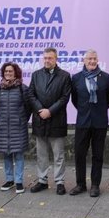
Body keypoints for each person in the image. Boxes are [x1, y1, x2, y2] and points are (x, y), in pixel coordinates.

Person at [28, 47, 72, 195]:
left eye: (50, 58)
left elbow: (64, 98)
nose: (47, 60)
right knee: (41, 154)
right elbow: (31, 95)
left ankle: (59, 182)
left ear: (56, 59)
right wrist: (41, 110)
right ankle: (42, 181)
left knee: (58, 154)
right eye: (45, 58)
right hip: (40, 119)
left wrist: (50, 111)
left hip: (56, 120)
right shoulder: (36, 75)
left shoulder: (65, 76)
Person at [69, 49, 109, 197]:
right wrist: (85, 111)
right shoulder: (76, 78)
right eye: (89, 59)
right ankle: (80, 184)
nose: (92, 61)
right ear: (84, 61)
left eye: (94, 59)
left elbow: (108, 98)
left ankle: (95, 185)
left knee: (98, 155)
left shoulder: (105, 78)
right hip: (82, 122)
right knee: (80, 154)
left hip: (100, 122)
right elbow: (75, 99)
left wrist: (97, 111)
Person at [0, 62, 31, 194]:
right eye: (6, 72)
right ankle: (9, 180)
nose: (8, 73)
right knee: (7, 154)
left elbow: (28, 108)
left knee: (19, 155)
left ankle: (19, 181)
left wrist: (21, 120)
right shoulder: (0, 89)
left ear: (16, 73)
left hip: (18, 127)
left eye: (11, 71)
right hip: (4, 127)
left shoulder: (23, 88)